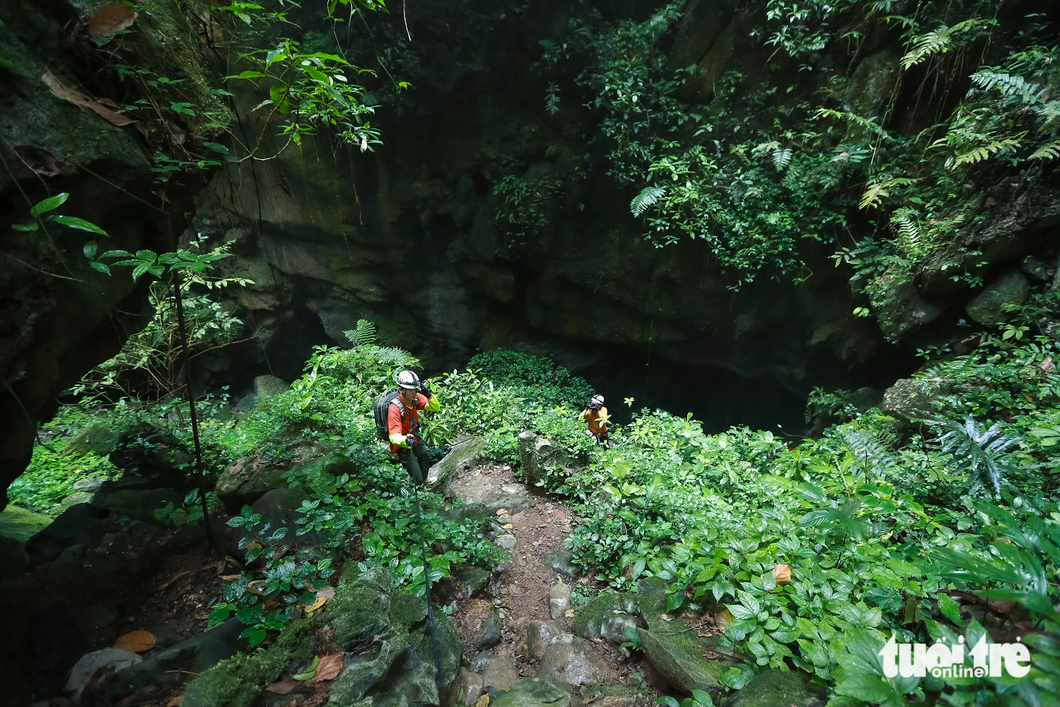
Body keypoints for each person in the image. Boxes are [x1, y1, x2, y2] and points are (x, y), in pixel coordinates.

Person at [388, 370, 440, 484]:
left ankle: (425, 480)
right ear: (401, 389)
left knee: (424, 456)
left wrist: (429, 396)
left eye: (415, 389)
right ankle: (417, 485)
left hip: (414, 437)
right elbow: (393, 436)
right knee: (416, 476)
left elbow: (434, 408)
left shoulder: (415, 399)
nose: (414, 392)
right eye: (410, 389)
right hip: (403, 445)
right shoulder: (394, 409)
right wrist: (405, 440)